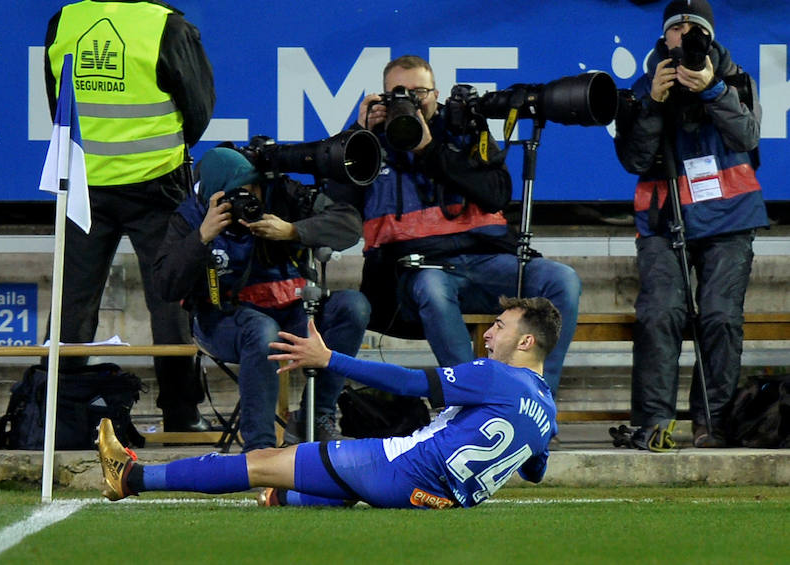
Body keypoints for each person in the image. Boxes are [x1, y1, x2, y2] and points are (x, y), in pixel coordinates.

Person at [97, 296, 560, 509]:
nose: (491, 332)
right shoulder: (547, 411)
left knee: (261, 459)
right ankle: (288, 499)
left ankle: (132, 477)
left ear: (526, 343)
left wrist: (329, 358)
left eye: (500, 325)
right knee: (330, 481)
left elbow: (405, 382)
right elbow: (534, 470)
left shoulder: (498, 376)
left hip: (399, 471)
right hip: (439, 499)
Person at [341, 55, 581, 397]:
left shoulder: (465, 128)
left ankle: (537, 397)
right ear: (382, 97)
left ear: (435, 94)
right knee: (433, 288)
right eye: (399, 93)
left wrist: (430, 150)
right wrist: (359, 134)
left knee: (563, 279)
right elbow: (339, 203)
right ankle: (474, 402)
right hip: (415, 273)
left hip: (487, 261)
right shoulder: (369, 141)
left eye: (418, 92)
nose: (410, 100)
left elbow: (497, 194)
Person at [42, 0, 216, 432]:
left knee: (72, 302)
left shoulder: (65, 20)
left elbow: (57, 106)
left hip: (84, 180)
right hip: (156, 181)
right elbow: (199, 110)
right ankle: (180, 414)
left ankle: (58, 416)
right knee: (171, 299)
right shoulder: (168, 26)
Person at [613, 0, 769, 450]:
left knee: (721, 317)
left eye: (694, 27)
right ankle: (654, 425)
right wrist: (653, 104)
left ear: (709, 36)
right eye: (677, 27)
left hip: (731, 219)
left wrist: (712, 90)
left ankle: (713, 424)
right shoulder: (645, 86)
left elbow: (748, 139)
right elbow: (635, 160)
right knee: (660, 314)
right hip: (665, 221)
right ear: (665, 38)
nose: (685, 34)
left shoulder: (734, 80)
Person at [152, 146, 370, 451]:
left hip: (291, 312)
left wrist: (294, 230)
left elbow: (349, 224)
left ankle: (314, 417)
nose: (251, 197)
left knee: (352, 306)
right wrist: (201, 237)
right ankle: (260, 452)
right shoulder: (194, 214)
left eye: (253, 186)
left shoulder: (282, 195)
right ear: (217, 196)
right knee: (262, 331)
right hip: (222, 321)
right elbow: (166, 286)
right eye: (238, 193)